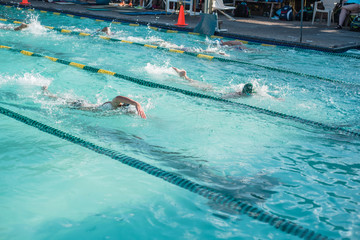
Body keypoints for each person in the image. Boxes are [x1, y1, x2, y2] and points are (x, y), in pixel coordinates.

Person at [42, 86, 147, 119]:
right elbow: (118, 97)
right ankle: (45, 92)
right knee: (56, 100)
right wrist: (136, 104)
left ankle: (47, 92)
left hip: (85, 105)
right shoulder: (115, 105)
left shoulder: (118, 110)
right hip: (79, 106)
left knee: (60, 99)